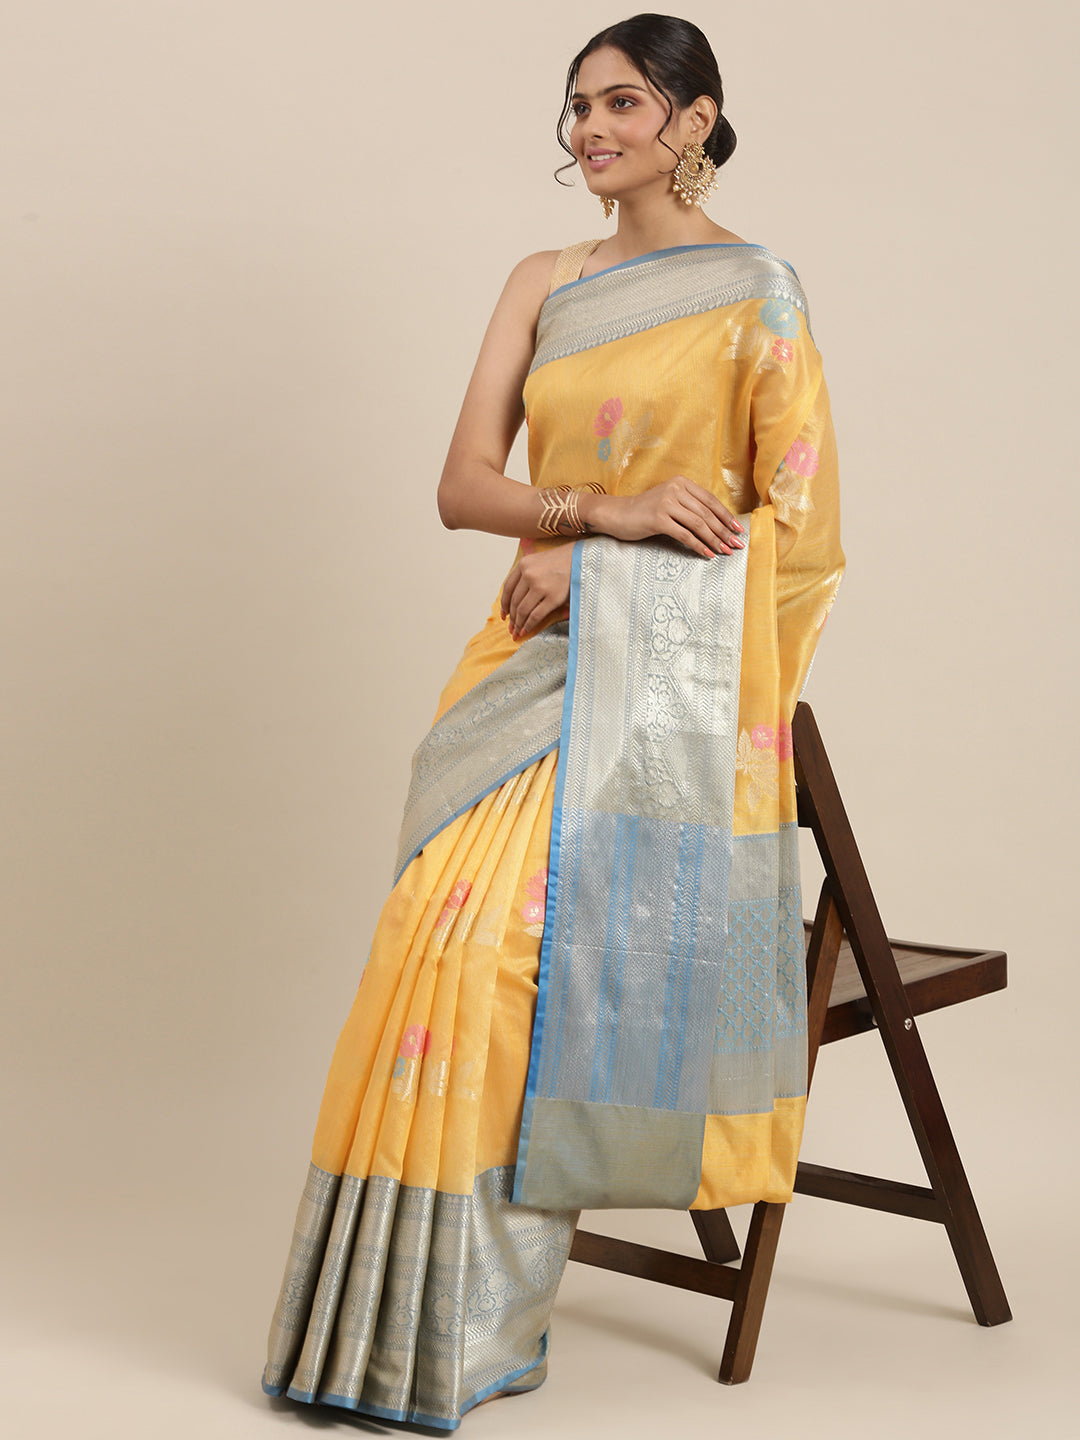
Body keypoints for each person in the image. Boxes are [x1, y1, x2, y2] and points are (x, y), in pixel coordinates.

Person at [262, 12, 844, 1430]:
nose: (591, 130)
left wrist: (591, 566)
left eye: (624, 103)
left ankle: (468, 1331)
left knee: (505, 959)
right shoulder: (544, 277)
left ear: (695, 119)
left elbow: (799, 542)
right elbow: (464, 485)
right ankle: (386, 1333)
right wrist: (609, 512)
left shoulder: (758, 294)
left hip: (666, 698)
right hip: (520, 674)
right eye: (579, 106)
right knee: (432, 938)